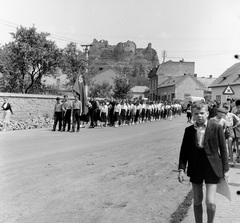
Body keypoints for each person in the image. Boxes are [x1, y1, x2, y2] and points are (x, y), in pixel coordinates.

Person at [178, 102, 229, 223]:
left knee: (210, 202)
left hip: (212, 167)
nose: (199, 116)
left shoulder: (216, 127)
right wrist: (181, 169)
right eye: (196, 113)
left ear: (207, 113)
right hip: (196, 167)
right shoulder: (189, 130)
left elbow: (223, 149)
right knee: (197, 200)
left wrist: (225, 170)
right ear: (193, 115)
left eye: (202, 113)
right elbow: (184, 151)